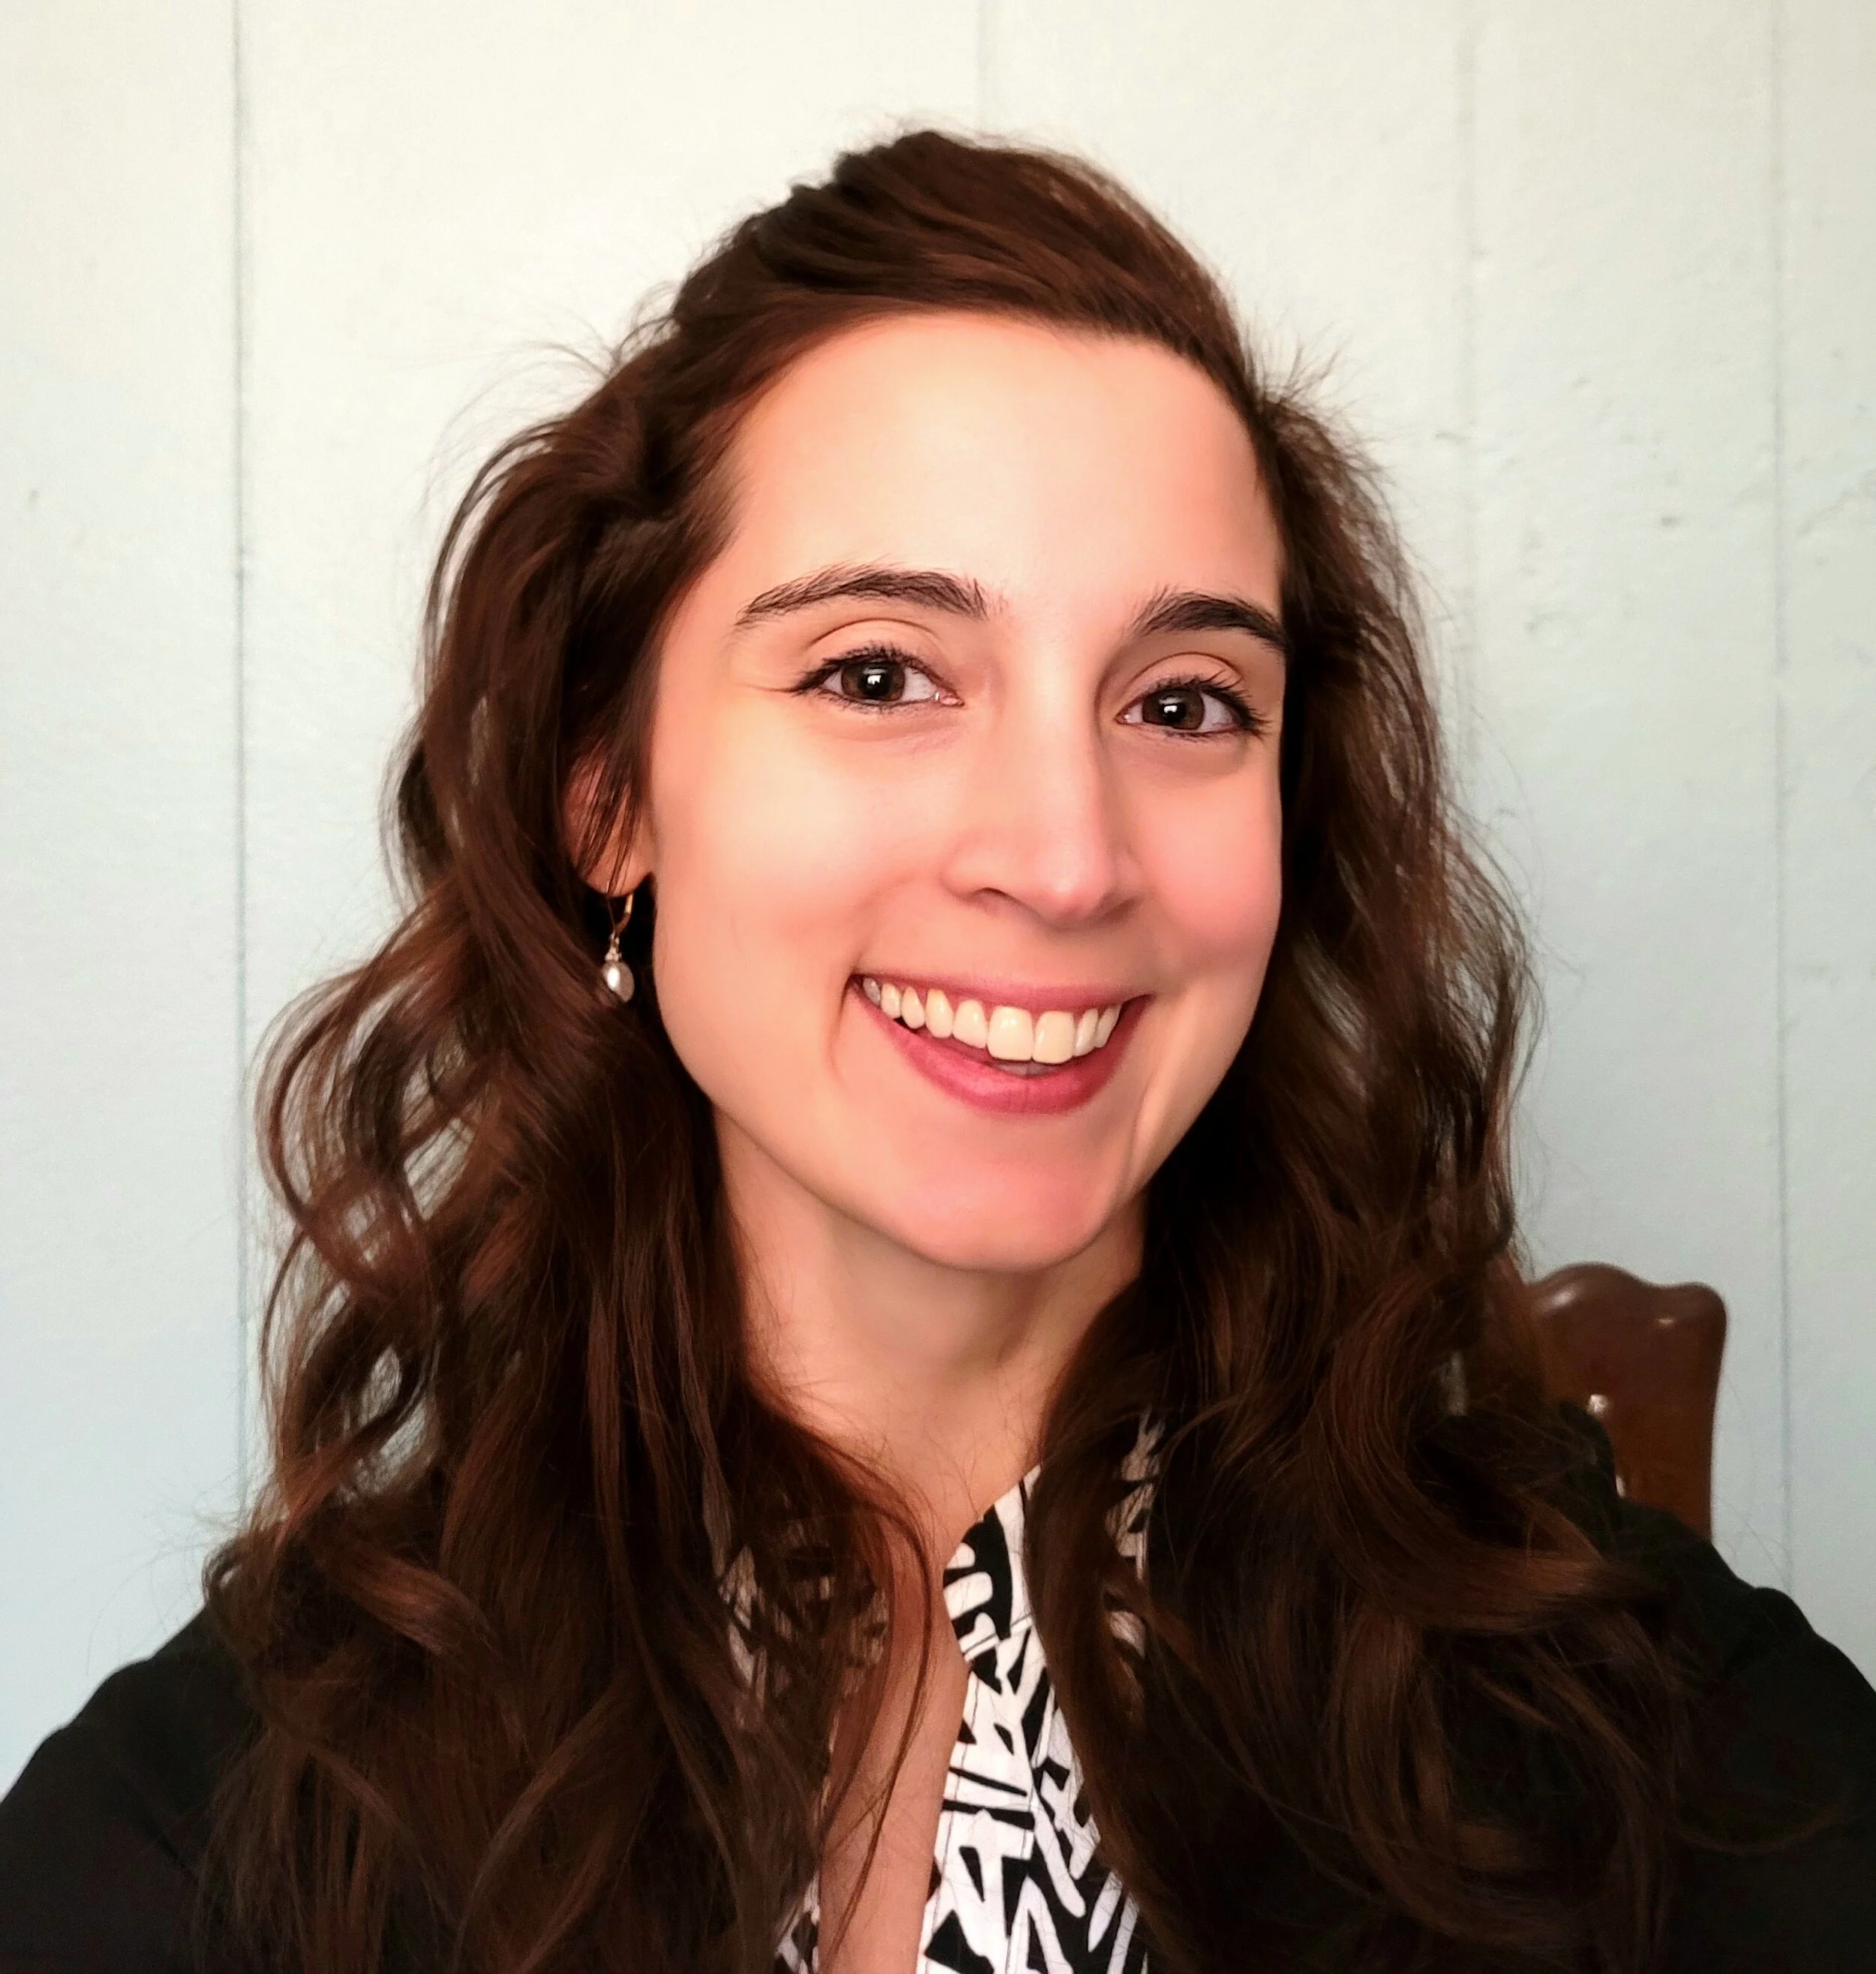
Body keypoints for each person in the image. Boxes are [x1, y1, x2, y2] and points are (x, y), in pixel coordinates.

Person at [2, 128, 1871, 1974]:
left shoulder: (1650, 1734)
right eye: (877, 673)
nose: (1063, 860)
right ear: (607, 797)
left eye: (1181, 701)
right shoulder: (221, 1822)